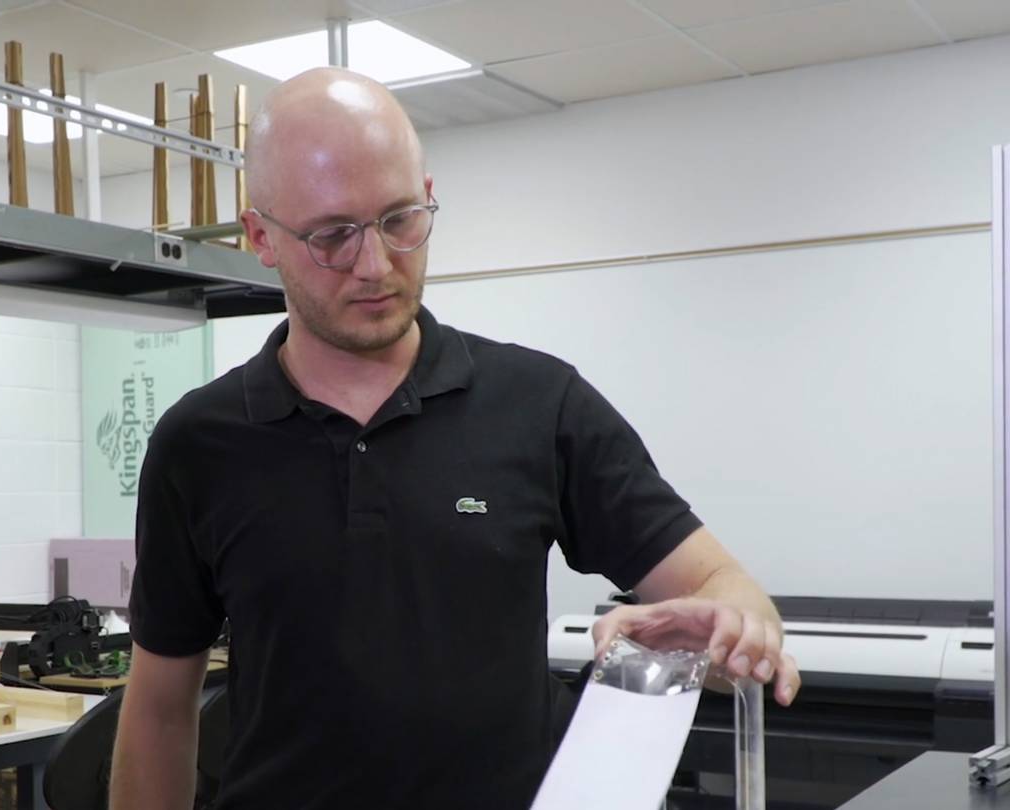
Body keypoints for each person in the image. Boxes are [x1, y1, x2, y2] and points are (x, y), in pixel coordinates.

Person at [110, 67, 802, 810]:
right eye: (332, 236)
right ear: (260, 238)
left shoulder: (541, 404)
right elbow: (157, 707)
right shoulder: (198, 444)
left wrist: (733, 629)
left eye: (401, 219)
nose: (375, 265)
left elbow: (727, 591)